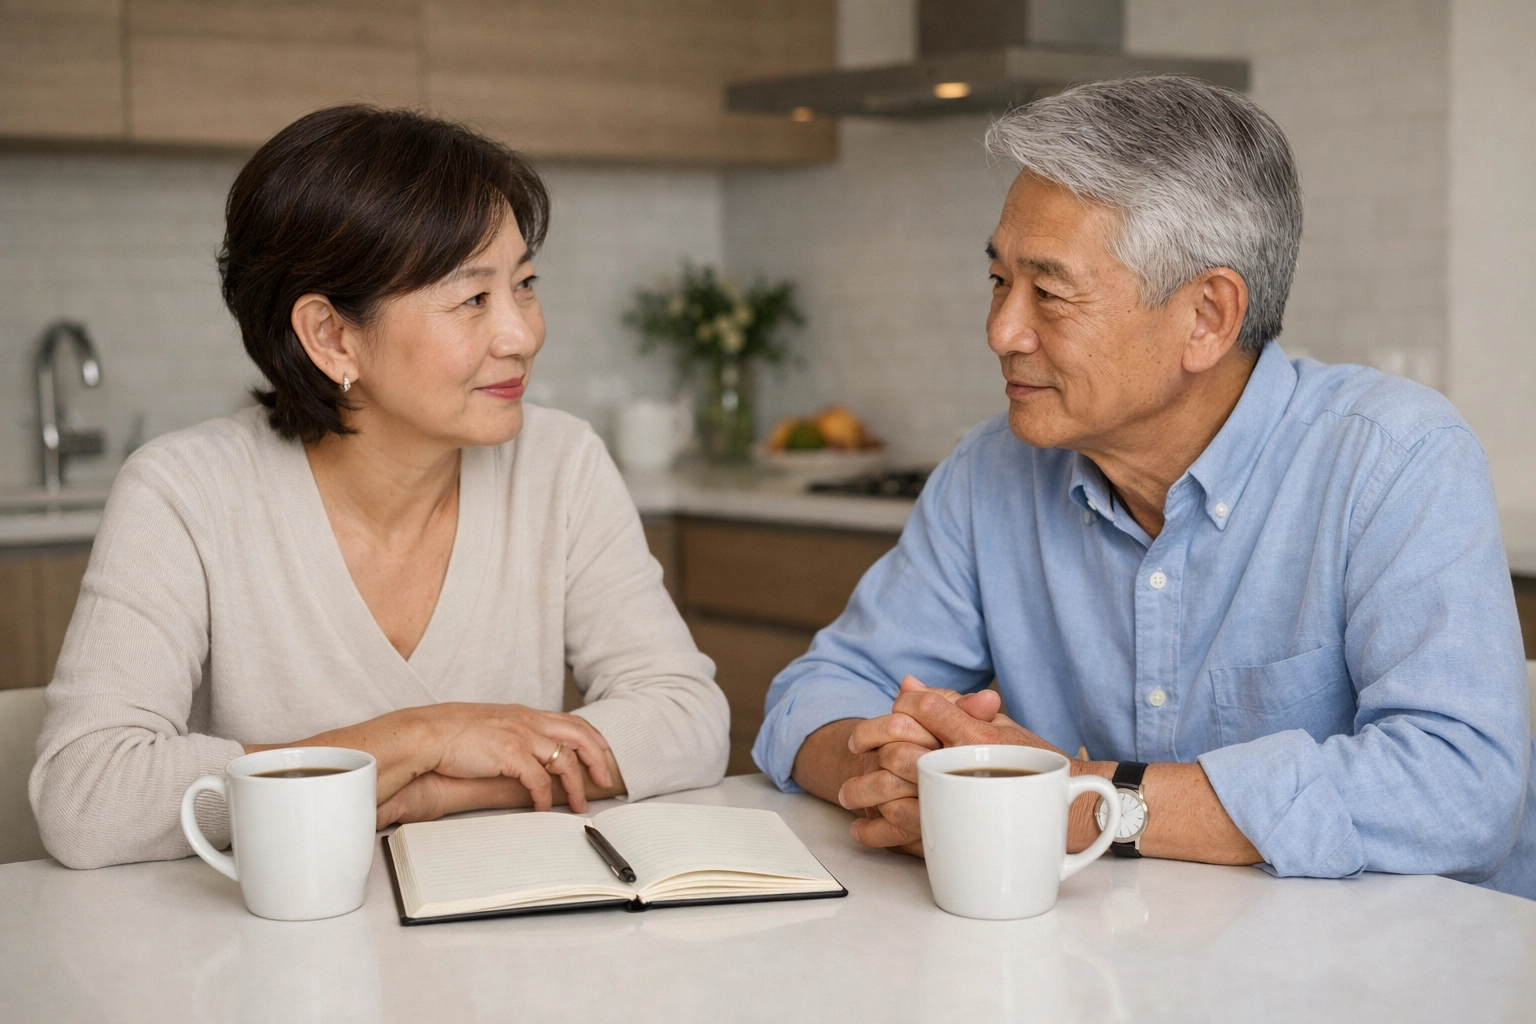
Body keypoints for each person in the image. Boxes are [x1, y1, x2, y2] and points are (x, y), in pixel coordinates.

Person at [753, 76, 1536, 897]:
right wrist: (904, 769)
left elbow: (1461, 789)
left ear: (1206, 316)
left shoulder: (1394, 460)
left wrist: (1089, 804)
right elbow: (814, 694)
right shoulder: (991, 471)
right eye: (997, 282)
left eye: (1049, 293)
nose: (1002, 332)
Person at [31, 106, 729, 869]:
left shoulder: (559, 463)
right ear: (330, 335)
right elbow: (87, 797)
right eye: (473, 299)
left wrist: (445, 792)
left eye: (524, 285)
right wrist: (417, 737)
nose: (522, 334)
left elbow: (688, 719)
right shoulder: (186, 493)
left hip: (509, 953)